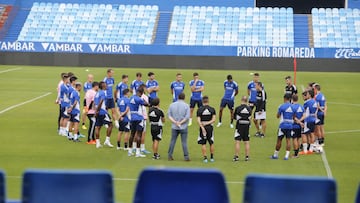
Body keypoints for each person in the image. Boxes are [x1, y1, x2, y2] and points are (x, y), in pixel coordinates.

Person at [168, 93, 191, 161]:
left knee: (172, 141)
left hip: (174, 126)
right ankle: (186, 157)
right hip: (183, 126)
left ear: (178, 97)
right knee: (184, 142)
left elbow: (169, 116)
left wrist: (175, 122)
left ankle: (170, 155)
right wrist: (180, 123)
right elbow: (187, 117)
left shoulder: (172, 105)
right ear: (184, 98)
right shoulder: (186, 106)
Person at [271, 94, 294, 160]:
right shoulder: (293, 107)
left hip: (282, 126)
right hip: (290, 126)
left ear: (284, 98)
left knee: (279, 140)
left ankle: (275, 155)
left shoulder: (282, 106)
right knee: (288, 140)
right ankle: (286, 156)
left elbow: (278, 116)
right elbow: (294, 116)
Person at [128, 88, 148, 157]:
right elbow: (146, 104)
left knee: (132, 134)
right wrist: (143, 99)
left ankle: (130, 151)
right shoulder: (139, 99)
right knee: (139, 134)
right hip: (139, 118)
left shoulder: (131, 98)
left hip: (132, 117)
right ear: (141, 93)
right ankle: (138, 152)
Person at [94, 81, 114, 148]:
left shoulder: (97, 93)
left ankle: (98, 143)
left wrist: (95, 111)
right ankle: (107, 140)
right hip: (102, 112)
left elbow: (94, 103)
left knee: (98, 127)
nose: (107, 86)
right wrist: (98, 110)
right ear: (103, 86)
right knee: (110, 125)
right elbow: (101, 101)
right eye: (106, 85)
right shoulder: (103, 93)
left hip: (98, 111)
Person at [196, 96, 216, 163]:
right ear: (208, 101)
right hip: (210, 127)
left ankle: (205, 158)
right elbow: (214, 120)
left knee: (203, 143)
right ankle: (212, 157)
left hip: (202, 127)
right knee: (211, 142)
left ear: (202, 101)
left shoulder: (199, 109)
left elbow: (198, 120)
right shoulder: (212, 109)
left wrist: (202, 127)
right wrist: (208, 123)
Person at [233, 96, 252, 162]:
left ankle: (236, 156)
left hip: (239, 126)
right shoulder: (249, 109)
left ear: (241, 100)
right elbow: (250, 118)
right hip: (247, 126)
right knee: (246, 142)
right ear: (247, 101)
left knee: (238, 141)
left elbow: (234, 117)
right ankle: (247, 157)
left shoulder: (238, 108)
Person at [299, 90, 317, 155]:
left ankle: (305, 150)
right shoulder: (315, 102)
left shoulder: (307, 102)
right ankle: (311, 150)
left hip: (307, 119)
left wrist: (300, 120)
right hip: (313, 119)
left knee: (303, 134)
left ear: (310, 95)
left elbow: (304, 112)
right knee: (312, 134)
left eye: (308, 94)